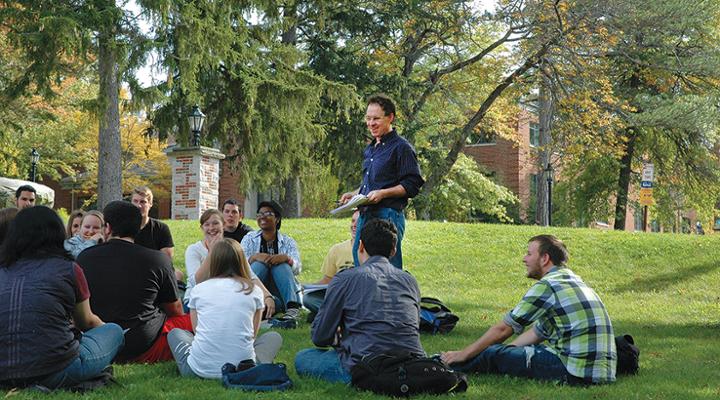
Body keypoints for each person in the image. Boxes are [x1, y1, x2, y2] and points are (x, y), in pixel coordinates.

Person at [440, 235, 616, 385]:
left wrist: (464, 353)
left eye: (529, 254)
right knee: (496, 353)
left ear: (545, 258)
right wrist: (506, 352)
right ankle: (441, 362)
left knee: (490, 352)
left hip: (574, 371)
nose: (524, 259)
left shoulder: (549, 285)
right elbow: (538, 333)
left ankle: (436, 366)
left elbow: (504, 329)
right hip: (602, 372)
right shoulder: (574, 281)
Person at [0, 206, 123, 389]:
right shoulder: (69, 269)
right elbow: (87, 322)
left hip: (4, 373)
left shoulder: (3, 270)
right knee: (114, 331)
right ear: (57, 232)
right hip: (57, 369)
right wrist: (106, 333)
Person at [295, 218, 424, 383]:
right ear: (393, 250)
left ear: (360, 245)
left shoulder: (345, 279)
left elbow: (320, 337)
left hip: (365, 366)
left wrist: (340, 338)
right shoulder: (409, 281)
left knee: (303, 357)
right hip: (412, 362)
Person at [77, 200, 191, 363]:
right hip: (144, 346)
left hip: (97, 341)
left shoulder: (84, 257)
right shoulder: (157, 259)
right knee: (193, 320)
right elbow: (175, 310)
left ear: (107, 227)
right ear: (137, 228)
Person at [168, 239, 283, 379]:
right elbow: (252, 335)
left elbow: (197, 330)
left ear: (213, 261)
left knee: (175, 334)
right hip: (244, 367)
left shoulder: (198, 290)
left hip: (198, 370)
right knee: (274, 337)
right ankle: (254, 365)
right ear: (241, 261)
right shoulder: (254, 291)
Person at [339, 94, 424, 269]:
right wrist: (354, 194)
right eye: (368, 118)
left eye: (376, 118)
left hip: (388, 215)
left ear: (390, 117)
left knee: (387, 269)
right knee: (360, 264)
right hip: (366, 215)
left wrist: (383, 194)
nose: (371, 123)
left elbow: (413, 184)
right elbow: (373, 185)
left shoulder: (402, 148)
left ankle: (394, 297)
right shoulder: (371, 149)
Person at [184, 209, 275, 316]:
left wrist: (267, 296)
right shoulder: (194, 250)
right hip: (197, 300)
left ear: (223, 225)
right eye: (206, 225)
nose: (211, 228)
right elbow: (196, 282)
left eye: (215, 223)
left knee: (273, 302)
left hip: (228, 297)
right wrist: (212, 252)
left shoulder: (233, 247)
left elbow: (250, 276)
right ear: (202, 228)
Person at [241, 200, 302, 328]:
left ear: (277, 218)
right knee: (258, 265)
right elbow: (240, 265)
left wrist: (287, 259)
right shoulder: (249, 238)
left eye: (268, 213)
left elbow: (298, 268)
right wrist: (254, 257)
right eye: (259, 214)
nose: (262, 217)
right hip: (258, 291)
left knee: (282, 265)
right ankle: (251, 305)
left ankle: (292, 309)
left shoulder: (288, 241)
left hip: (280, 292)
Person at [302, 210, 359, 317]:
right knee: (309, 298)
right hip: (338, 296)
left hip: (359, 297)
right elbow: (328, 280)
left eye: (359, 222)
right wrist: (308, 287)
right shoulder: (337, 249)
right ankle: (342, 316)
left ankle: (329, 315)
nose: (354, 225)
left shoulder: (369, 249)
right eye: (352, 221)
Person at [130, 186, 184, 282]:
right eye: (135, 201)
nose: (139, 205)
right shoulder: (123, 227)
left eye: (143, 202)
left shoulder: (161, 229)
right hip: (129, 269)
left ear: (150, 204)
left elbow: (166, 260)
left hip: (154, 270)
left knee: (177, 274)